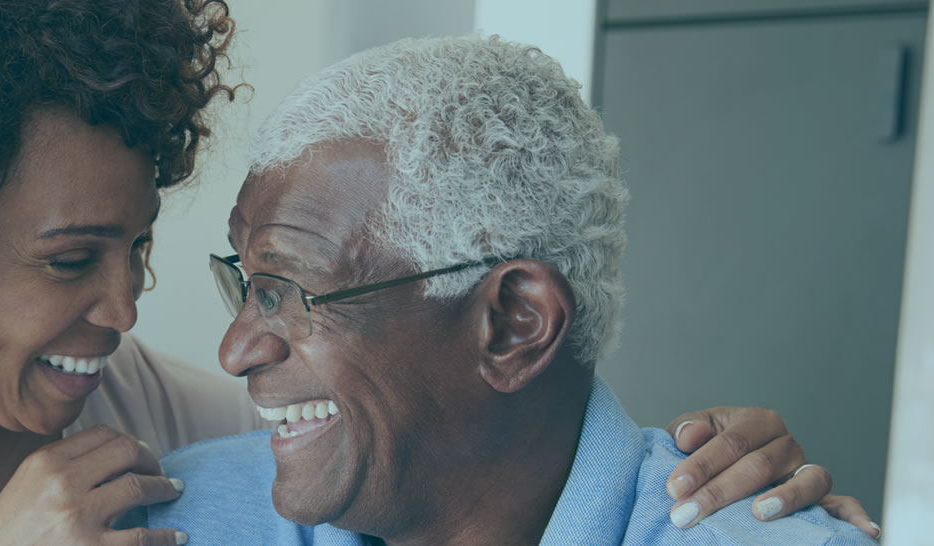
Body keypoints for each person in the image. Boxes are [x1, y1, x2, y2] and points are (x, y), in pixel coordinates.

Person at [0, 2, 872, 543]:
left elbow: (438, 429)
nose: (132, 313)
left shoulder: (164, 445)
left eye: (142, 250)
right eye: (71, 260)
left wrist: (717, 475)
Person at [135, 35, 881, 544]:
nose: (235, 351)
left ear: (515, 324)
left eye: (289, 290)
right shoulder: (164, 522)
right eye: (247, 284)